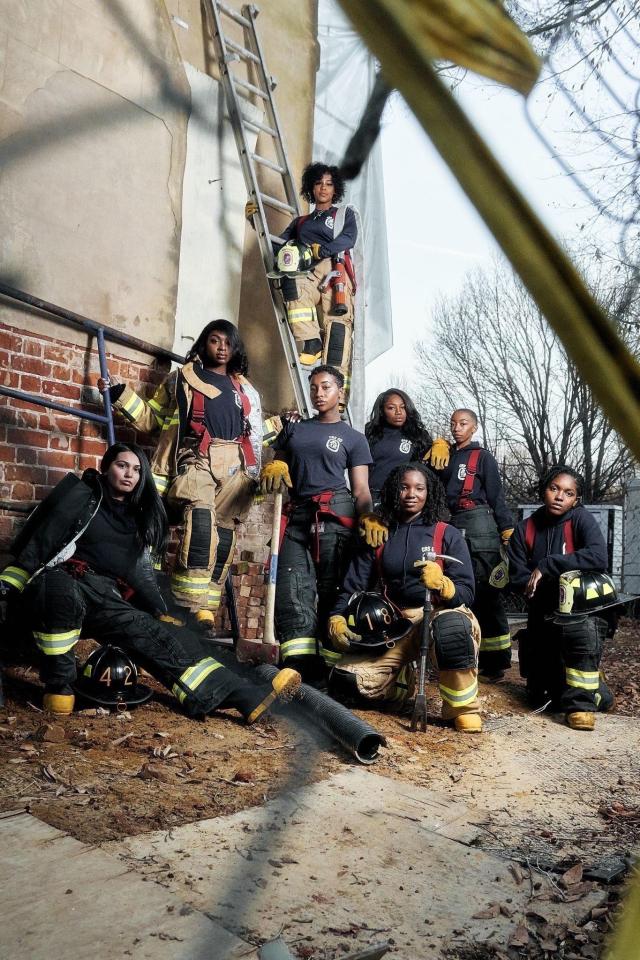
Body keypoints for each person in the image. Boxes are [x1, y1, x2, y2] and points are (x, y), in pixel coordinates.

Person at [0, 444, 300, 719]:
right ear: (106, 468)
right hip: (60, 580)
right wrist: (10, 583)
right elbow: (40, 542)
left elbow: (138, 575)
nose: (129, 474)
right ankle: (60, 688)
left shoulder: (139, 519)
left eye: (136, 469)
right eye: (121, 465)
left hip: (105, 595)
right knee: (62, 594)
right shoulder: (80, 496)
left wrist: (159, 610)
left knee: (161, 637)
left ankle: (243, 697)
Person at [98, 319, 261, 627]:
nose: (222, 347)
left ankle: (204, 611)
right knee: (201, 522)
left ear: (236, 347)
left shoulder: (246, 389)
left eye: (228, 342)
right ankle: (184, 604)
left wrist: (281, 438)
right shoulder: (181, 379)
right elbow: (153, 420)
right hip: (195, 458)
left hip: (235, 467)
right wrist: (121, 395)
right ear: (204, 344)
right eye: (215, 340)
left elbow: (257, 434)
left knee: (224, 535)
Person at [327, 462, 482, 732]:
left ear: (429, 493)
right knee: (346, 682)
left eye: (419, 488)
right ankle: (401, 685)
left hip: (437, 614)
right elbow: (352, 585)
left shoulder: (446, 534)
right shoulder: (380, 533)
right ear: (393, 491)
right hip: (396, 624)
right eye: (404, 487)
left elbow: (467, 592)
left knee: (452, 630)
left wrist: (444, 584)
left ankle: (462, 709)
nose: (411, 494)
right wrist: (337, 616)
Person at [260, 365, 373, 682]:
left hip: (336, 515)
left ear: (341, 393)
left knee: (331, 591)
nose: (318, 393)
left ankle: (332, 670)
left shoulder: (353, 438)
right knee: (292, 588)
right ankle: (298, 667)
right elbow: (276, 460)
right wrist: (276, 462)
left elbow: (361, 489)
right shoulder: (294, 429)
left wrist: (368, 519)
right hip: (297, 516)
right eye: (313, 388)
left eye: (325, 387)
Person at [503, 465, 614, 730]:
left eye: (568, 492)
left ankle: (582, 706)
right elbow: (518, 577)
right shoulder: (525, 528)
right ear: (544, 489)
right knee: (542, 697)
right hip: (542, 613)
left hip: (580, 613)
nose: (559, 496)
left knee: (580, 640)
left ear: (576, 499)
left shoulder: (581, 519)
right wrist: (541, 586)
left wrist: (548, 565)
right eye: (554, 489)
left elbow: (599, 557)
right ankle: (597, 689)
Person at [248, 162, 359, 405]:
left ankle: (336, 396)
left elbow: (349, 238)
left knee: (337, 331)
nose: (323, 188)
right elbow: (276, 247)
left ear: (335, 189)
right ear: (311, 187)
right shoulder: (301, 222)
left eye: (329, 184)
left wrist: (323, 249)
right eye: (319, 183)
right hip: (307, 271)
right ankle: (310, 341)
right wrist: (256, 221)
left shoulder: (342, 214)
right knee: (291, 288)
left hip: (335, 271)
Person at [431, 409, 513, 680]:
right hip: (452, 524)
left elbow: (497, 496)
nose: (457, 428)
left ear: (474, 428)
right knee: (457, 591)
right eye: (453, 423)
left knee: (487, 594)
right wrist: (435, 447)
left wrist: (506, 529)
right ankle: (464, 656)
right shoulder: (445, 457)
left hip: (481, 526)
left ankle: (496, 663)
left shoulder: (483, 458)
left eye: (463, 423)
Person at [365, 388, 450, 504]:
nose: (398, 412)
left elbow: (435, 468)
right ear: (382, 411)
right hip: (375, 498)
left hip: (406, 499)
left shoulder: (418, 435)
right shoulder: (369, 433)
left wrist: (444, 444)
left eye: (403, 407)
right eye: (391, 408)